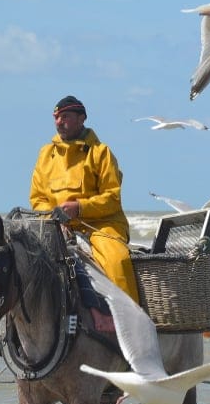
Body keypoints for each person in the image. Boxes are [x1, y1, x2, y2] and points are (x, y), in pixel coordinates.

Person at [29, 95, 140, 303]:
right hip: (57, 227)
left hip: (101, 226)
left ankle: (130, 323)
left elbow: (112, 198)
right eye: (56, 117)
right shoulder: (45, 154)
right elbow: (38, 198)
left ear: (82, 119)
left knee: (118, 262)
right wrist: (53, 221)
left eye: (65, 116)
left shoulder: (101, 153)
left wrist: (79, 208)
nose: (59, 122)